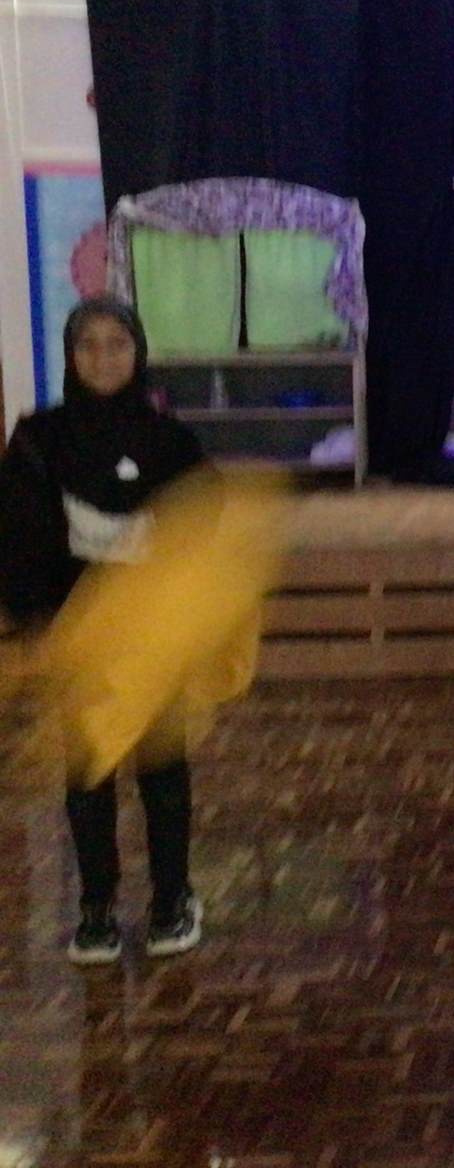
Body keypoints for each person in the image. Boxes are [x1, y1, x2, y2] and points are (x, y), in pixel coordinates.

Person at [0, 298, 208, 964]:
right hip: (80, 640)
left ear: (138, 353)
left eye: (118, 343)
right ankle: (96, 908)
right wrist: (35, 625)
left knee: (161, 768)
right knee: (89, 772)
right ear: (70, 356)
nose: (103, 357)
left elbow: (203, 531)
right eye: (87, 345)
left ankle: (171, 898)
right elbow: (18, 539)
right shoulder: (38, 439)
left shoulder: (170, 442)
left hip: (153, 640)